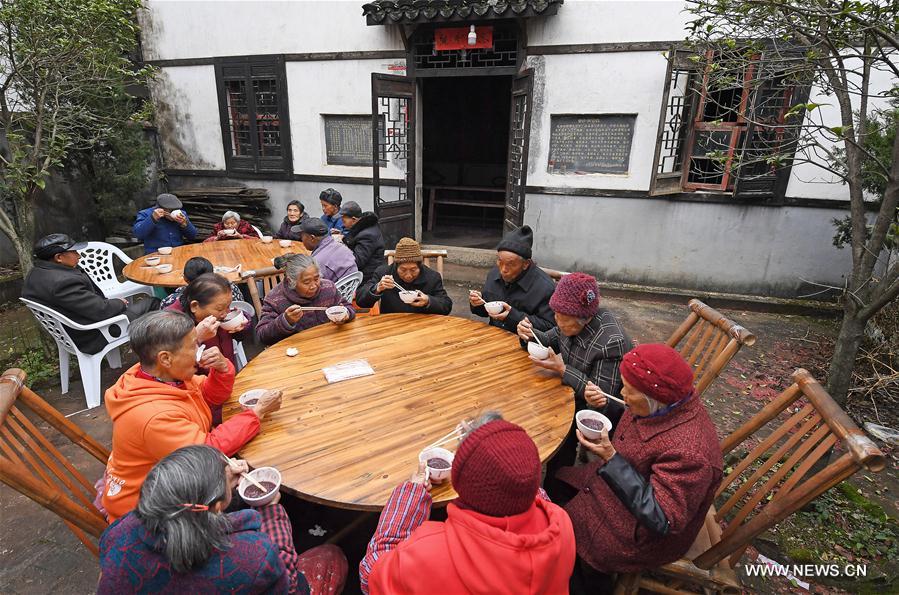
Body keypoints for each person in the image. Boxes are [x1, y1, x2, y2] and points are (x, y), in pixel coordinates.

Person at [558, 344, 723, 591]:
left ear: (653, 398)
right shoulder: (667, 404)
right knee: (556, 480)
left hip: (643, 534)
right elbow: (639, 423)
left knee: (574, 541)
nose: (622, 392)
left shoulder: (690, 452)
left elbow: (663, 518)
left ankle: (589, 582)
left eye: (629, 390)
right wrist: (606, 406)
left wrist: (611, 458)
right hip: (615, 489)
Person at [359, 413, 576, 594]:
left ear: (462, 482)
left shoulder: (429, 553)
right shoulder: (561, 525)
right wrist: (491, 444)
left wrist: (410, 495)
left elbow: (371, 575)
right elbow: (526, 486)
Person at [101, 311, 282, 522]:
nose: (200, 352)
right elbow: (207, 449)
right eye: (193, 345)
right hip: (151, 511)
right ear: (165, 358)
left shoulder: (156, 376)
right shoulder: (153, 416)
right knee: (258, 496)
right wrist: (257, 412)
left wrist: (222, 370)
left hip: (179, 478)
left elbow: (209, 396)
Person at [98, 444, 348, 594]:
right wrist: (273, 514)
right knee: (331, 556)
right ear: (217, 507)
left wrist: (224, 481)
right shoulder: (252, 557)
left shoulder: (119, 533)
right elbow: (293, 587)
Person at [517, 272, 631, 498]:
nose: (556, 320)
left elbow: (601, 400)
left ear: (585, 317)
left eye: (561, 317)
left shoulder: (610, 342)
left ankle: (557, 493)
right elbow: (547, 339)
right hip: (564, 392)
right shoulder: (569, 320)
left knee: (550, 433)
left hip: (590, 413)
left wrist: (562, 369)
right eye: (556, 314)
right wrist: (528, 334)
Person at [21, 234, 159, 354]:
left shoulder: (35, 273)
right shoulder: (63, 282)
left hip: (72, 330)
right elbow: (101, 310)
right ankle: (156, 350)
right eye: (74, 252)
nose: (79, 255)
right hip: (93, 334)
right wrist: (120, 302)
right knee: (154, 302)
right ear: (59, 257)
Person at [165, 273, 253, 424]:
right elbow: (171, 369)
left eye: (229, 306)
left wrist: (243, 325)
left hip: (225, 383)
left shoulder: (218, 316)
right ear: (195, 306)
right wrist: (196, 338)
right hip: (200, 399)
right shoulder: (171, 325)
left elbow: (240, 321)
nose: (226, 313)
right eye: (220, 309)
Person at [469, 225, 556, 335]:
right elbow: (486, 311)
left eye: (511, 264)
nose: (503, 270)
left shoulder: (545, 288)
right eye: (500, 261)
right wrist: (477, 303)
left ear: (526, 264)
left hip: (524, 345)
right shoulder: (494, 274)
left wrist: (512, 316)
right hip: (494, 336)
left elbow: (551, 328)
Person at [256, 254, 355, 346]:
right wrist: (286, 320)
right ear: (291, 281)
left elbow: (348, 307)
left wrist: (346, 314)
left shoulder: (328, 288)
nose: (314, 286)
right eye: (306, 282)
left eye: (316, 279)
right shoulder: (275, 299)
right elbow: (262, 335)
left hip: (329, 345)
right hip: (295, 352)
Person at [356, 237, 452, 315]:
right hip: (391, 325)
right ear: (396, 265)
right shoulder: (384, 273)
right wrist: (377, 288)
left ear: (420, 266)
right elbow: (361, 301)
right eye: (403, 270)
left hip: (422, 326)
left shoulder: (432, 277)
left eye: (413, 270)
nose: (408, 275)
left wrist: (428, 301)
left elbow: (446, 306)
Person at [160, 257, 244, 309]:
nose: (225, 313)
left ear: (185, 278)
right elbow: (241, 309)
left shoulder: (170, 301)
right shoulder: (229, 288)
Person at [296, 218, 358, 283]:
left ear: (312, 238)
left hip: (335, 291)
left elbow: (312, 287)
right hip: (351, 288)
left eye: (302, 236)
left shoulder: (318, 262)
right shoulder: (341, 246)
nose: (301, 239)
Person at [133, 193, 198, 254]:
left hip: (177, 252)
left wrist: (184, 224)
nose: (173, 212)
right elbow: (138, 234)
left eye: (175, 209)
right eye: (170, 210)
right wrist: (153, 218)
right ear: (160, 208)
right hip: (155, 254)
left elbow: (193, 235)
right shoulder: (145, 214)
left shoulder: (181, 214)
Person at [340, 201, 385, 282]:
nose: (343, 225)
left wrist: (341, 244)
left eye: (344, 221)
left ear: (353, 220)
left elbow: (357, 262)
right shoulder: (365, 227)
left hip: (368, 278)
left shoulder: (367, 236)